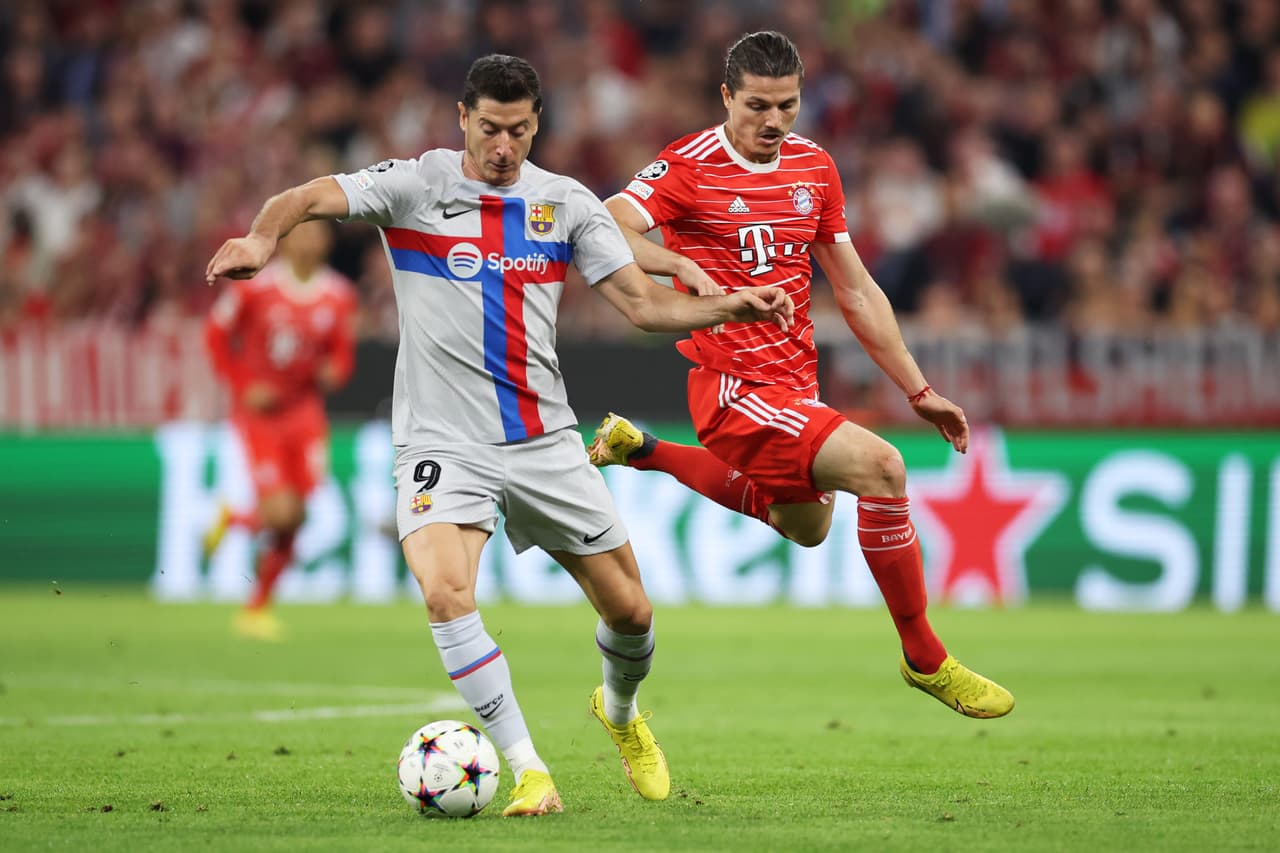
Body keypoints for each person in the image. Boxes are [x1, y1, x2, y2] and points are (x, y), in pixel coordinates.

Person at [205, 54, 795, 816]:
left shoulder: (566, 203)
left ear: (536, 123)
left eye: (518, 130)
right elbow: (307, 196)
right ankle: (529, 770)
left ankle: (618, 712)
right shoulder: (415, 184)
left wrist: (730, 307)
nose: (503, 146)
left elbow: (644, 306)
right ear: (462, 119)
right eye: (489, 128)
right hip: (440, 443)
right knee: (448, 593)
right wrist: (261, 240)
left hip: (544, 439)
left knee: (633, 614)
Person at [588, 31, 1014, 719]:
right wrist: (677, 264)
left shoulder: (814, 166)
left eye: (786, 106)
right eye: (757, 105)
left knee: (806, 526)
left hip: (793, 385)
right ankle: (925, 656)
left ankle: (645, 449)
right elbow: (604, 225)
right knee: (884, 468)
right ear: (726, 96)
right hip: (730, 387)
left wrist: (919, 388)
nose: (773, 122)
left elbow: (856, 289)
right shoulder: (689, 165)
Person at [203, 219, 357, 642]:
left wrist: (333, 372)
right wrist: (242, 384)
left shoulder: (339, 296)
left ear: (326, 243)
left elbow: (342, 358)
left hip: (305, 416)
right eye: (302, 233)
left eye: (317, 234)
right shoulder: (254, 290)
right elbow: (216, 336)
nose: (309, 241)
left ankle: (255, 605)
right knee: (281, 512)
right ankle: (240, 522)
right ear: (286, 244)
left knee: (297, 517)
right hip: (262, 417)